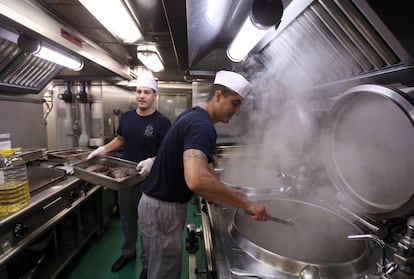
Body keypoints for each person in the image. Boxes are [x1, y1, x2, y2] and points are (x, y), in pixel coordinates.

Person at [137, 70, 270, 279]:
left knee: (155, 267)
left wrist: (228, 191)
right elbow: (197, 180)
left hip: (157, 208)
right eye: (235, 103)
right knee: (163, 273)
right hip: (163, 211)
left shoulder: (194, 114)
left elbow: (206, 168)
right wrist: (248, 205)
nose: (237, 111)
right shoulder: (202, 126)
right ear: (218, 96)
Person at [87, 75, 171, 276]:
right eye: (139, 91)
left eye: (146, 92)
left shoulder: (162, 122)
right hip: (124, 179)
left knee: (148, 226)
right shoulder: (127, 117)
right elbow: (121, 139)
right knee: (127, 219)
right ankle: (128, 252)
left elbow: (167, 150)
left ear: (154, 96)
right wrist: (103, 150)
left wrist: (152, 160)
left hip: (149, 181)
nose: (142, 96)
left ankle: (147, 264)